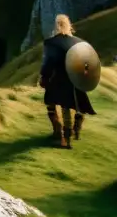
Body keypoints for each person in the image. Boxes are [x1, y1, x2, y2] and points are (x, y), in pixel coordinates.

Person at [39, 14, 96, 148]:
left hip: (59, 80)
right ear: (69, 25)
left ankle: (62, 135)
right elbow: (86, 64)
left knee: (54, 103)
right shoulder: (79, 42)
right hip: (77, 79)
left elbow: (48, 63)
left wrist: (43, 77)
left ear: (56, 26)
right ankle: (77, 122)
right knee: (78, 104)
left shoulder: (51, 42)